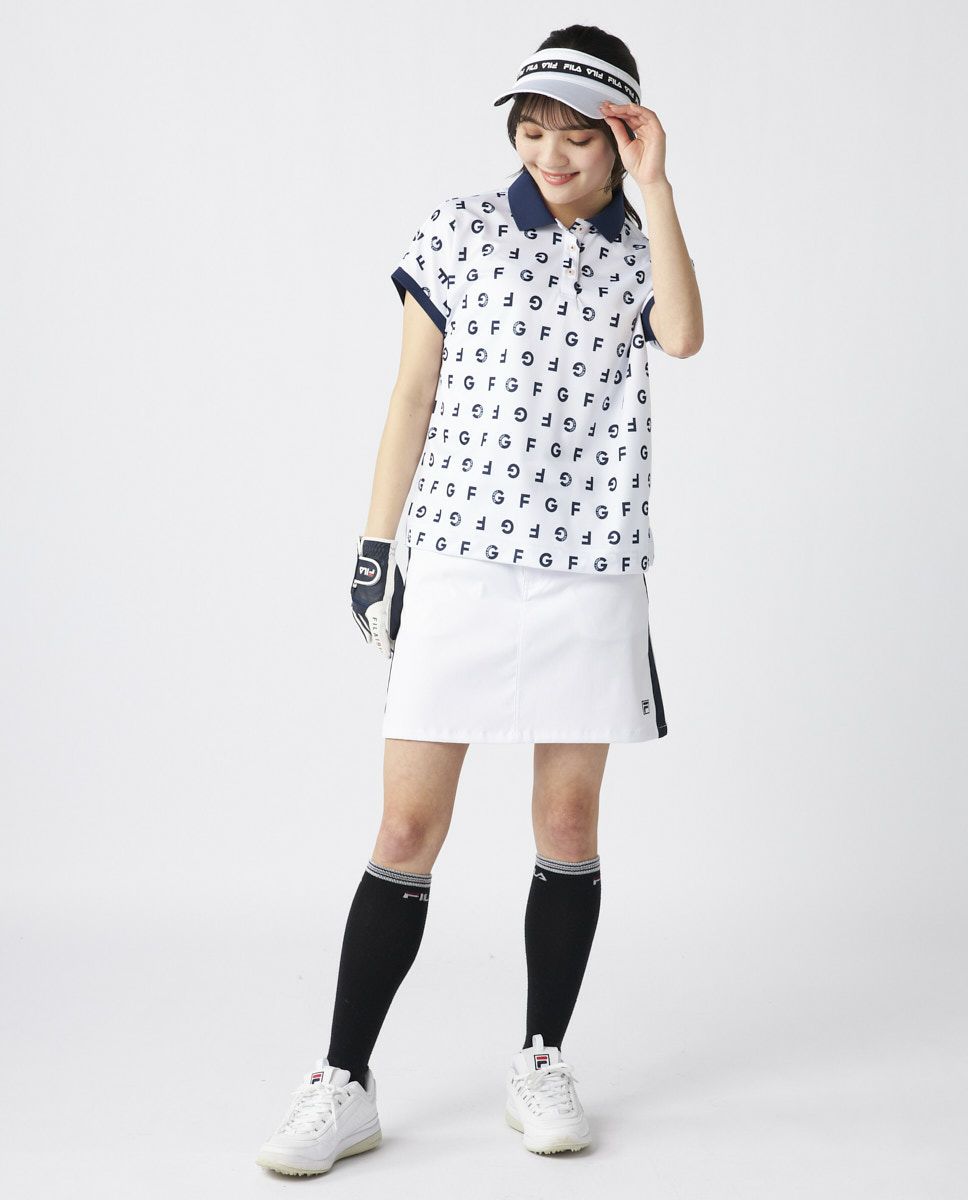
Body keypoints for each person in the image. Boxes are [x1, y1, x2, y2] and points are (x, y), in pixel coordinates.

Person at [256, 23, 703, 1177]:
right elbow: (411, 393)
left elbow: (685, 336)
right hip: (458, 560)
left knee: (567, 827)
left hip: (591, 568)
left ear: (619, 137)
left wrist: (655, 190)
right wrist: (375, 547)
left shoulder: (640, 246)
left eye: (575, 135)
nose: (549, 153)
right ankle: (343, 1080)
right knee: (406, 830)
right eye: (530, 129)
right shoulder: (455, 230)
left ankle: (541, 1058)